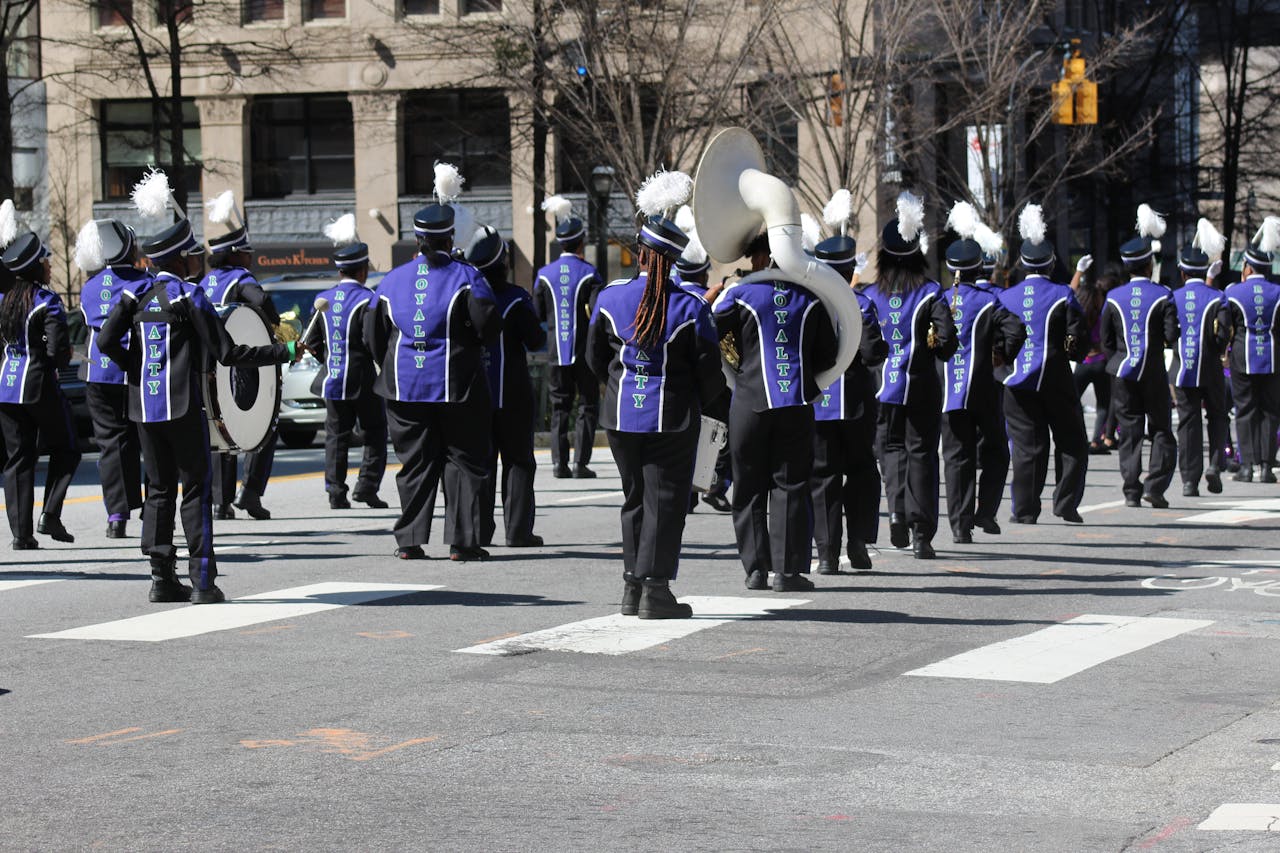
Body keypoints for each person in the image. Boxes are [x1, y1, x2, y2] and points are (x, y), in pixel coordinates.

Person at [99, 217, 300, 603]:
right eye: (193, 253)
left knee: (158, 489)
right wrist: (284, 351)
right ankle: (203, 582)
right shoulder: (188, 296)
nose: (197, 259)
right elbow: (228, 353)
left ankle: (161, 578)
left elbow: (107, 341)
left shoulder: (133, 295)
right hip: (182, 406)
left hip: (143, 407)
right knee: (195, 489)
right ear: (180, 258)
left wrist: (137, 370)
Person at [587, 179, 727, 617]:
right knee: (664, 504)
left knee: (633, 500)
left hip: (621, 418)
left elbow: (594, 359)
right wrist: (711, 410)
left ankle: (631, 587)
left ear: (641, 254)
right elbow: (709, 373)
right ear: (674, 259)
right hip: (671, 419)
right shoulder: (690, 306)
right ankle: (655, 589)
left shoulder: (610, 298)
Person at [363, 195, 499, 561]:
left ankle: (409, 540)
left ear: (418, 239)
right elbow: (488, 324)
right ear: (450, 238)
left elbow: (373, 334)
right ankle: (462, 542)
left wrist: (391, 362)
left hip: (403, 385)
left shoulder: (391, 280)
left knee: (415, 463)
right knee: (464, 460)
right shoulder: (468, 275)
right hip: (456, 384)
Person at [713, 227, 837, 589]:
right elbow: (828, 355)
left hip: (749, 402)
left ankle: (755, 569)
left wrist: (740, 366)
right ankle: (787, 571)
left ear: (766, 256)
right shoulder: (811, 298)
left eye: (754, 256)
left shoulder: (739, 295)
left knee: (748, 486)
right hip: (795, 402)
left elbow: (717, 334)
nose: (752, 263)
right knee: (791, 484)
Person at [863, 192, 958, 559]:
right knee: (922, 454)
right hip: (920, 386)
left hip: (882, 390)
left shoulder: (870, 294)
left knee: (890, 453)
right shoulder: (931, 291)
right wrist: (934, 347)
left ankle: (897, 515)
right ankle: (922, 534)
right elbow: (947, 340)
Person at [938, 203, 1026, 544]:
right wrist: (1001, 355)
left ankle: (960, 526)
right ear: (979, 268)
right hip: (985, 388)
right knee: (996, 452)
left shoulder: (941, 298)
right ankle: (985, 511)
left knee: (956, 456)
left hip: (949, 389)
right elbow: (1016, 330)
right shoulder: (992, 301)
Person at [998, 204, 1090, 524]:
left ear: (1023, 265)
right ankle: (1065, 503)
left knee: (1026, 447)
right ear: (1051, 263)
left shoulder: (1005, 297)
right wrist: (1074, 352)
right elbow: (1078, 336)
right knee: (1071, 440)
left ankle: (1024, 510)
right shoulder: (1062, 293)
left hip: (1015, 379)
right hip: (1054, 375)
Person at [809, 218, 889, 573]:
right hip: (856, 402)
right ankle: (858, 542)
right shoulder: (862, 304)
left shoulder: (808, 303)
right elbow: (873, 353)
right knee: (861, 473)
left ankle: (827, 554)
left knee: (823, 477)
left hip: (819, 404)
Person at [0, 232, 81, 549]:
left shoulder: (3, 301)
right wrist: (62, 356)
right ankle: (50, 513)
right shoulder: (47, 301)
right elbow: (59, 351)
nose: (50, 266)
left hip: (6, 387)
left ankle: (21, 535)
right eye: (46, 261)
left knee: (17, 459)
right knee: (68, 448)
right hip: (38, 386)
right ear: (36, 267)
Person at [466, 225, 545, 548]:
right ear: (504, 263)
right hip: (512, 393)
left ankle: (480, 531)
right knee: (518, 461)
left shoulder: (466, 295)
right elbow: (537, 340)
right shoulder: (515, 298)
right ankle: (518, 531)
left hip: (475, 394)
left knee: (481, 462)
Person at [302, 215, 388, 511]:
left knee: (336, 437)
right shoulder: (369, 299)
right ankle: (366, 486)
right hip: (363, 378)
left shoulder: (323, 298)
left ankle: (335, 492)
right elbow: (375, 341)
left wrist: (329, 359)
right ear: (363, 270)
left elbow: (311, 341)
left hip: (332, 379)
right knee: (376, 432)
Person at [200, 202, 279, 520]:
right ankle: (251, 493)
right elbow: (260, 300)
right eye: (246, 252)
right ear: (234, 254)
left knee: (221, 427)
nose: (251, 257)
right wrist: (274, 322)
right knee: (263, 426)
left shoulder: (204, 282)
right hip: (241, 362)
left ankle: (222, 501)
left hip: (210, 365)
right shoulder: (240, 277)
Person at [1100, 209, 1180, 508]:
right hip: (1154, 372)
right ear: (1150, 264)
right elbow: (1172, 336)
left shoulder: (1113, 297)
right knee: (1160, 429)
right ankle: (1155, 487)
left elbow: (1106, 339)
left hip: (1122, 371)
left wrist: (1118, 358)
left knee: (1130, 431)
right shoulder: (1163, 295)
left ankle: (1131, 490)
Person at [75, 219, 150, 537]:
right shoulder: (144, 281)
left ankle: (116, 516)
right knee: (149, 441)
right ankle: (152, 508)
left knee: (110, 445)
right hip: (134, 369)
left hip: (97, 371)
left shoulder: (89, 287)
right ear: (130, 246)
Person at [534, 196, 602, 479]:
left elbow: (537, 311)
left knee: (559, 406)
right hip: (584, 351)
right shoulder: (589, 273)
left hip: (555, 351)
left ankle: (558, 464)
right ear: (580, 242)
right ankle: (580, 464)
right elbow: (598, 315)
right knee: (587, 404)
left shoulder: (544, 274)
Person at [671, 207, 732, 512]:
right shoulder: (710, 301)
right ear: (704, 271)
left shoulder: (666, 296)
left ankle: (687, 494)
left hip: (673, 385)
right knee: (721, 431)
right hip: (707, 381)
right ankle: (715, 483)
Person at [1170, 221, 1229, 496]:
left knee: (1188, 423)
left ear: (1182, 273)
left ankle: (1189, 481)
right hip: (1211, 368)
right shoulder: (1218, 297)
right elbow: (1223, 333)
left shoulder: (1172, 297)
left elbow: (1169, 333)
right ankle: (1215, 466)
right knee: (1217, 417)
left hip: (1183, 369)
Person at [1219, 217, 1280, 483]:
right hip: (1273, 358)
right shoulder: (1278, 292)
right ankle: (1266, 468)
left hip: (1242, 357)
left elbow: (1223, 328)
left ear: (1247, 266)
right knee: (1270, 410)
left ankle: (1246, 467)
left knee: (1244, 411)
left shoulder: (1233, 293)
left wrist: (1221, 351)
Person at [1073, 264, 1118, 455]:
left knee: (1073, 401)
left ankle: (1078, 437)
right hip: (1101, 362)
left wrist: (1078, 272)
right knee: (1103, 405)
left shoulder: (1078, 315)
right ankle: (1095, 441)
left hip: (1083, 363)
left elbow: (1070, 291)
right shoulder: (1102, 314)